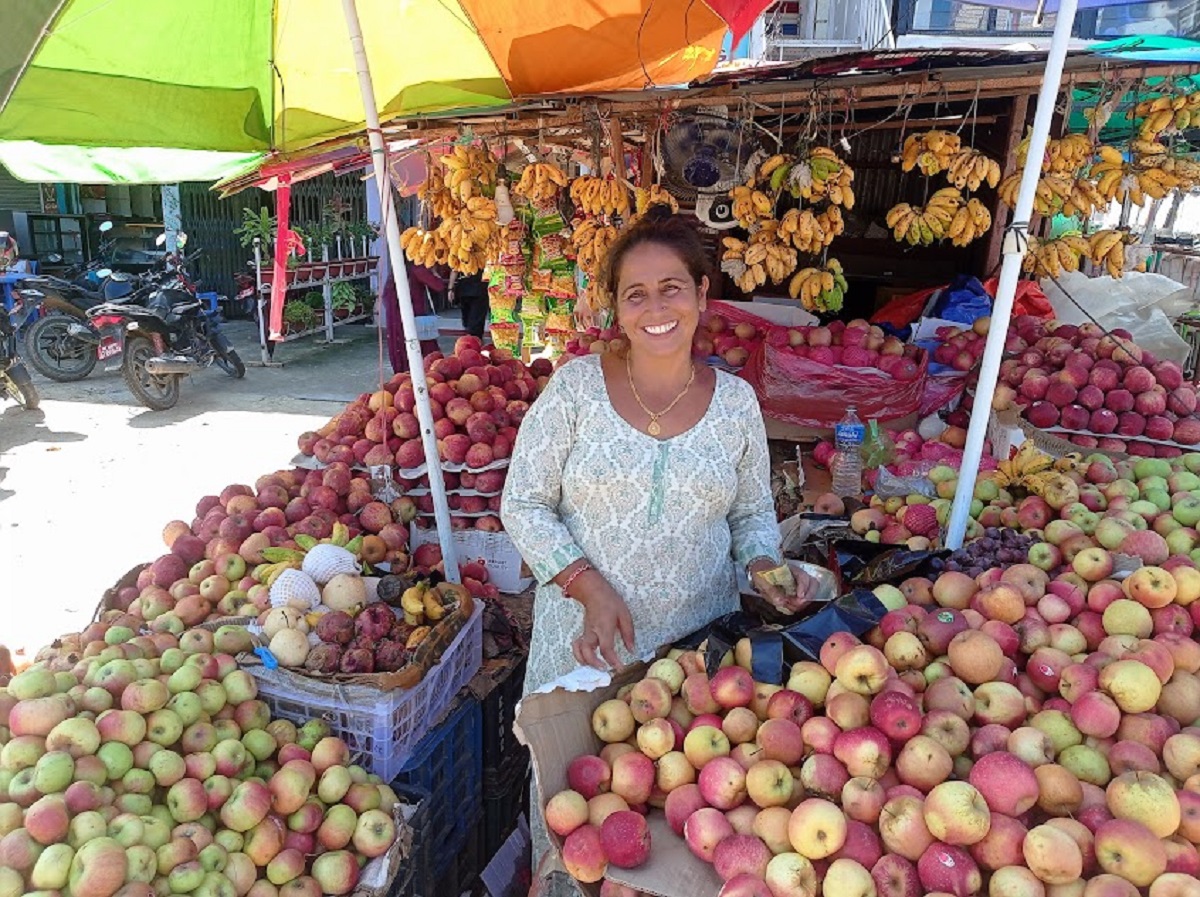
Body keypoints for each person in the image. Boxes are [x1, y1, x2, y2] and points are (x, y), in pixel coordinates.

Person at [500, 206, 819, 895]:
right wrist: (587, 584)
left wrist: (767, 565)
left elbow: (752, 515)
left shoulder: (736, 403)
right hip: (579, 660)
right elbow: (522, 501)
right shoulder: (576, 389)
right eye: (635, 293)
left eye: (672, 288)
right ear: (615, 307)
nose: (656, 308)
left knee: (670, 853)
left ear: (704, 295)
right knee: (577, 838)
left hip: (688, 673)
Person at [381, 259, 445, 373]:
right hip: (415, 318)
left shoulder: (396, 270)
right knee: (424, 355)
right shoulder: (417, 269)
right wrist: (434, 272)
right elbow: (438, 285)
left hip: (396, 320)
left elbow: (385, 298)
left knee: (402, 353)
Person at [449, 269, 488, 339]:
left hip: (480, 289)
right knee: (467, 322)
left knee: (476, 324)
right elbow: (454, 268)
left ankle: (475, 342)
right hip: (464, 290)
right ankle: (471, 342)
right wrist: (450, 289)